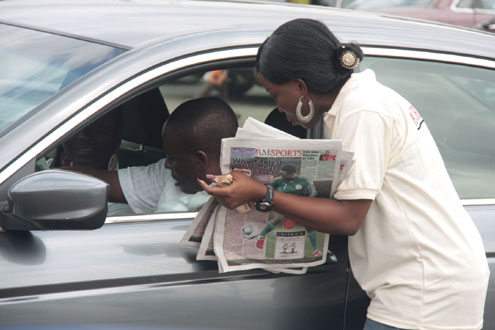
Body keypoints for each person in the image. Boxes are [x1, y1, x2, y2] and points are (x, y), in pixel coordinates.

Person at [199, 19, 490, 330]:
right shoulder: (357, 103)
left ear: (300, 87)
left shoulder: (362, 111)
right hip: (425, 278)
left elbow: (348, 219)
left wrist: (261, 192)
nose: (277, 106)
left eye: (274, 94)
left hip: (425, 285)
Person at [68, 96, 238, 214]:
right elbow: (101, 181)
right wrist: (47, 176)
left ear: (200, 160)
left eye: (172, 158)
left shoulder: (245, 192)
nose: (166, 164)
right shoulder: (172, 176)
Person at [255, 165, 321, 257]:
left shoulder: (305, 180)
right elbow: (270, 192)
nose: (281, 176)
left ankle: (316, 250)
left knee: (309, 225)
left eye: (283, 175)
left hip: (300, 205)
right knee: (279, 217)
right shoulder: (277, 181)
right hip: (283, 204)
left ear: (292, 174)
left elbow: (314, 192)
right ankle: (261, 236)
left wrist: (307, 202)